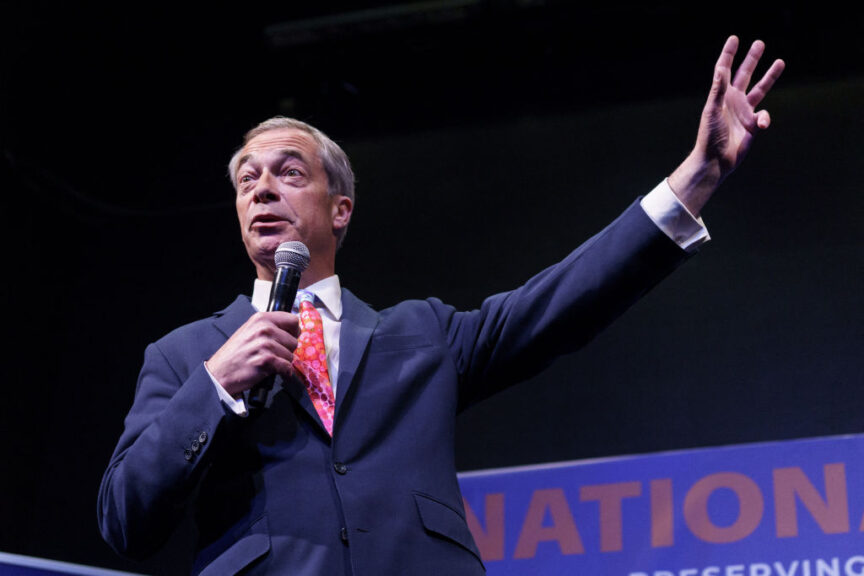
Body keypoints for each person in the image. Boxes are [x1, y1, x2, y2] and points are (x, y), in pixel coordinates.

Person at [98, 36, 784, 575]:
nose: (262, 189)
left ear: (341, 210)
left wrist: (696, 179)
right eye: (248, 179)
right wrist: (214, 386)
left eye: (289, 173)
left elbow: (560, 303)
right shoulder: (185, 356)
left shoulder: (422, 335)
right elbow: (126, 519)